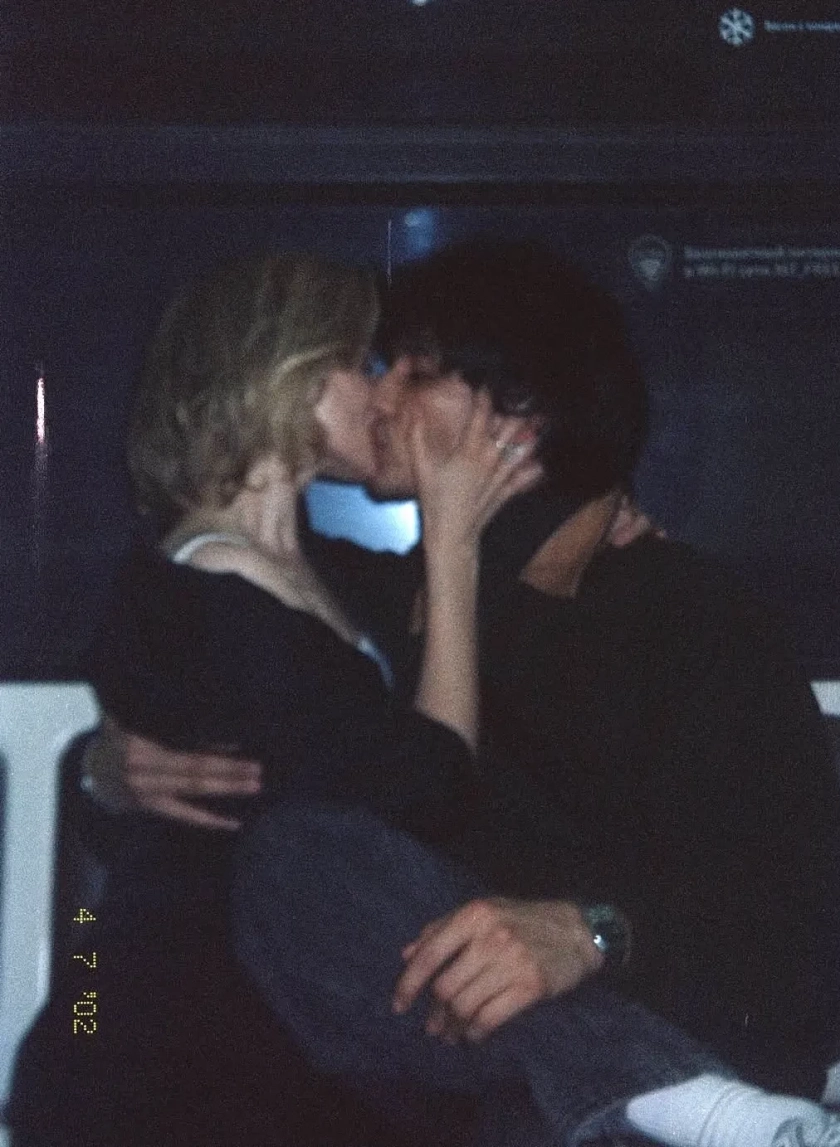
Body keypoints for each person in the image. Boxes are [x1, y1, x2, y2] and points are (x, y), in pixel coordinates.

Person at [54, 244, 840, 1147]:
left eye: (416, 370)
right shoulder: (355, 602)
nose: (380, 396)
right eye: (371, 366)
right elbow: (200, 778)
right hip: (406, 1078)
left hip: (627, 1086)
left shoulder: (687, 618)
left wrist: (592, 933)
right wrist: (103, 769)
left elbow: (803, 937)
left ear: (519, 415)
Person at [4, 250, 541, 1147]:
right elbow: (432, 790)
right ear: (288, 374)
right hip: (165, 1065)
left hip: (231, 1040)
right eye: (361, 363)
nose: (382, 394)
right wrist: (452, 544)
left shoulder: (303, 567)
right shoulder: (212, 596)